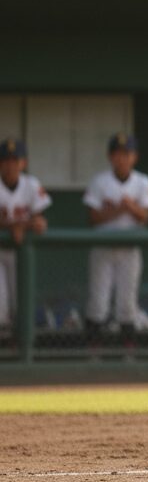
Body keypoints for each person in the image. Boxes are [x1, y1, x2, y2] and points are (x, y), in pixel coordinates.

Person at [83, 133, 148, 336]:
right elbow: (93, 218)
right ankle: (94, 348)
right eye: (117, 154)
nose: (122, 158)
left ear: (134, 157)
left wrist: (130, 207)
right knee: (98, 301)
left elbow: (145, 217)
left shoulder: (143, 181)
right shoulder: (99, 181)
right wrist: (120, 209)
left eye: (126, 154)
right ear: (110, 156)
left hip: (129, 249)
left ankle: (128, 347)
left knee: (127, 303)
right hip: (103, 248)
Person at [0, 138, 51, 335]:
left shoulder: (31, 184)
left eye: (15, 160)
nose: (10, 165)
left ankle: (17, 345)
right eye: (6, 160)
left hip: (21, 253)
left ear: (24, 163)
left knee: (21, 304)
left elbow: (38, 219)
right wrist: (16, 225)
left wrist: (30, 224)